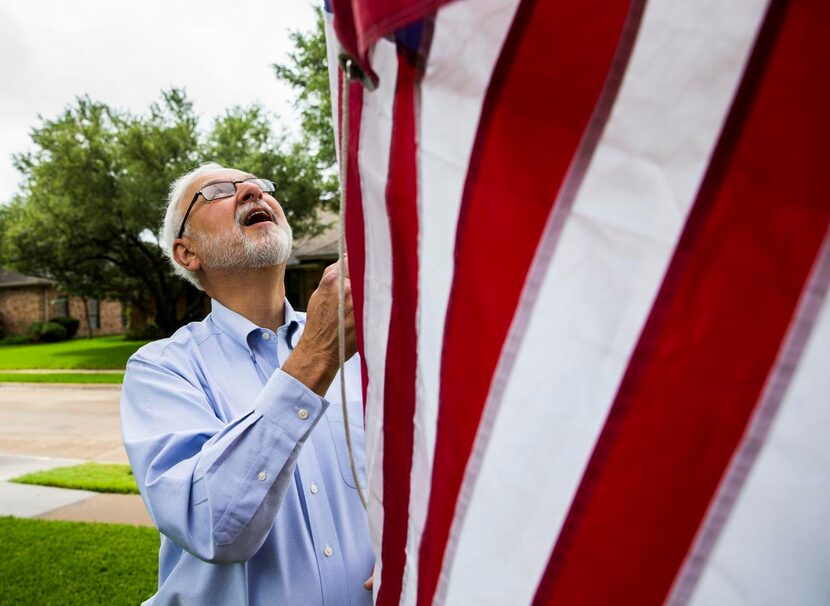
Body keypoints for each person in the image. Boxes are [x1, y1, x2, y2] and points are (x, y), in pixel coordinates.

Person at [120, 163, 373, 605]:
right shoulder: (161, 369)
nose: (253, 191)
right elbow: (212, 527)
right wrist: (317, 355)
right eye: (219, 190)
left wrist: (405, 552)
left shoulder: (365, 346)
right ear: (186, 252)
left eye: (260, 186)